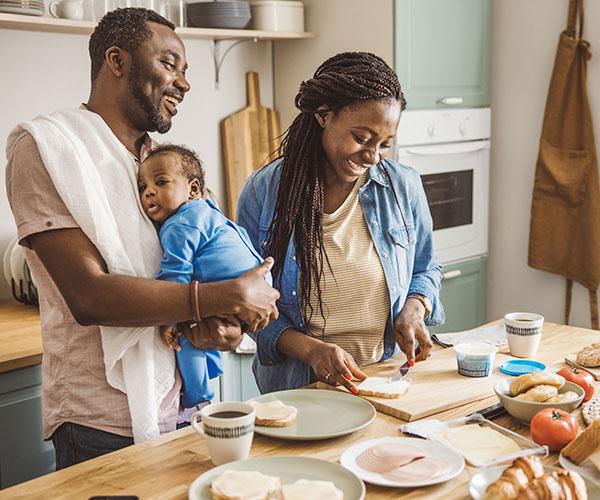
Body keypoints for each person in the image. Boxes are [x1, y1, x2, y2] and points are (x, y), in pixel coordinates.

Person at [5, 8, 278, 469]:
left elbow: (195, 262)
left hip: (182, 407)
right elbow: (90, 297)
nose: (184, 83)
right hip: (99, 420)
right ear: (117, 60)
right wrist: (226, 294)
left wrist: (226, 322)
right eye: (169, 64)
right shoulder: (47, 148)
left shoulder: (162, 164)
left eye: (186, 71)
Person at [237, 52, 444, 396]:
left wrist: (415, 307)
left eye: (384, 145)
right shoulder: (265, 191)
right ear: (323, 115)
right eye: (362, 138)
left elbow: (427, 268)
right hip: (300, 388)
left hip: (383, 378)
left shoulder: (402, 185)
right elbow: (246, 302)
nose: (373, 156)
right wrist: (311, 350)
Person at [137, 143, 272, 411]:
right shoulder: (209, 212)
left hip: (237, 287)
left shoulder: (179, 224)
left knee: (186, 337)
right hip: (261, 286)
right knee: (206, 326)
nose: (149, 191)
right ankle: (209, 379)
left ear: (194, 189)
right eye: (143, 187)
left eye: (161, 182)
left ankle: (197, 400)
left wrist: (168, 321)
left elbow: (176, 272)